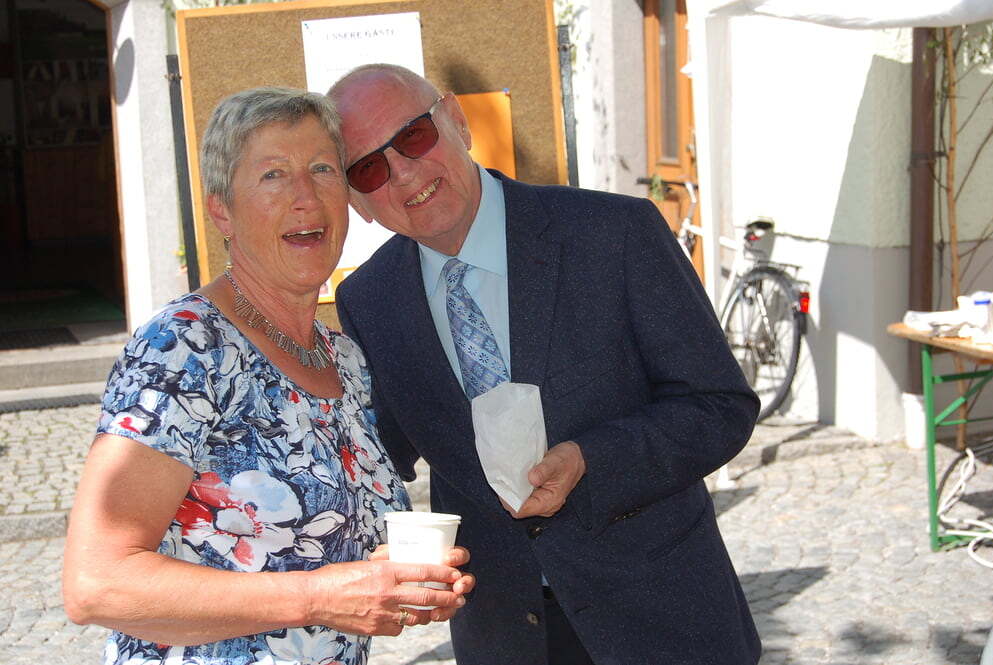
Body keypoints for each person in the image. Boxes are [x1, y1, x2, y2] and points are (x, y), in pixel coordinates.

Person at [328, 65, 761, 665]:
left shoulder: (614, 232)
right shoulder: (368, 299)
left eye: (413, 136)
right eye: (369, 168)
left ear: (456, 121)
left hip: (662, 617)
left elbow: (719, 405)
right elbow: (381, 455)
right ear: (357, 201)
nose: (402, 171)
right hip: (506, 634)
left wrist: (591, 461)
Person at [62, 86, 474, 665]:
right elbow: (96, 583)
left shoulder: (343, 359)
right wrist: (318, 597)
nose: (306, 196)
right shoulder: (184, 348)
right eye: (273, 175)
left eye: (323, 169)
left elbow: (321, 557)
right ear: (221, 210)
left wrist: (384, 583)